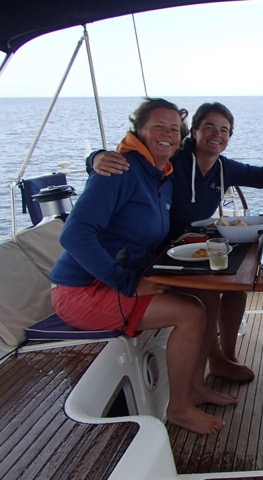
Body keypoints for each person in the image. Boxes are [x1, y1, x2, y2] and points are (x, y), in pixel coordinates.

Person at [50, 98, 238, 435]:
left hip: (129, 277)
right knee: (190, 313)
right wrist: (126, 282)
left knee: (208, 295)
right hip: (84, 291)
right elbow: (74, 235)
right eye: (158, 127)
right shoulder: (120, 170)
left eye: (173, 129)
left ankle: (196, 386)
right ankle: (179, 408)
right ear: (139, 131)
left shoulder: (159, 174)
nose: (167, 134)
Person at [90, 101, 263, 382]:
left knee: (236, 288)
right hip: (161, 253)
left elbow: (260, 174)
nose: (216, 134)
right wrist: (95, 157)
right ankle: (214, 359)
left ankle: (227, 356)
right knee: (208, 292)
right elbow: (131, 161)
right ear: (194, 132)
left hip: (194, 244)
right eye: (209, 127)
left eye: (224, 130)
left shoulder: (224, 168)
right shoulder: (173, 159)